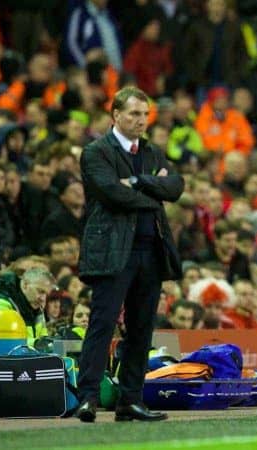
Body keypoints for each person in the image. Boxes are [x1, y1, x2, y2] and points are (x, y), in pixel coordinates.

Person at [74, 86, 184, 423]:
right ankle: (88, 397)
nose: (141, 120)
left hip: (150, 250)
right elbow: (111, 194)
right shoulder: (96, 151)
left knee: (141, 328)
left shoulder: (150, 152)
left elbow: (176, 187)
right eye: (134, 114)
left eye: (145, 114)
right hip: (112, 250)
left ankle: (130, 399)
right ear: (115, 114)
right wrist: (153, 188)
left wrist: (136, 182)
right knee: (102, 323)